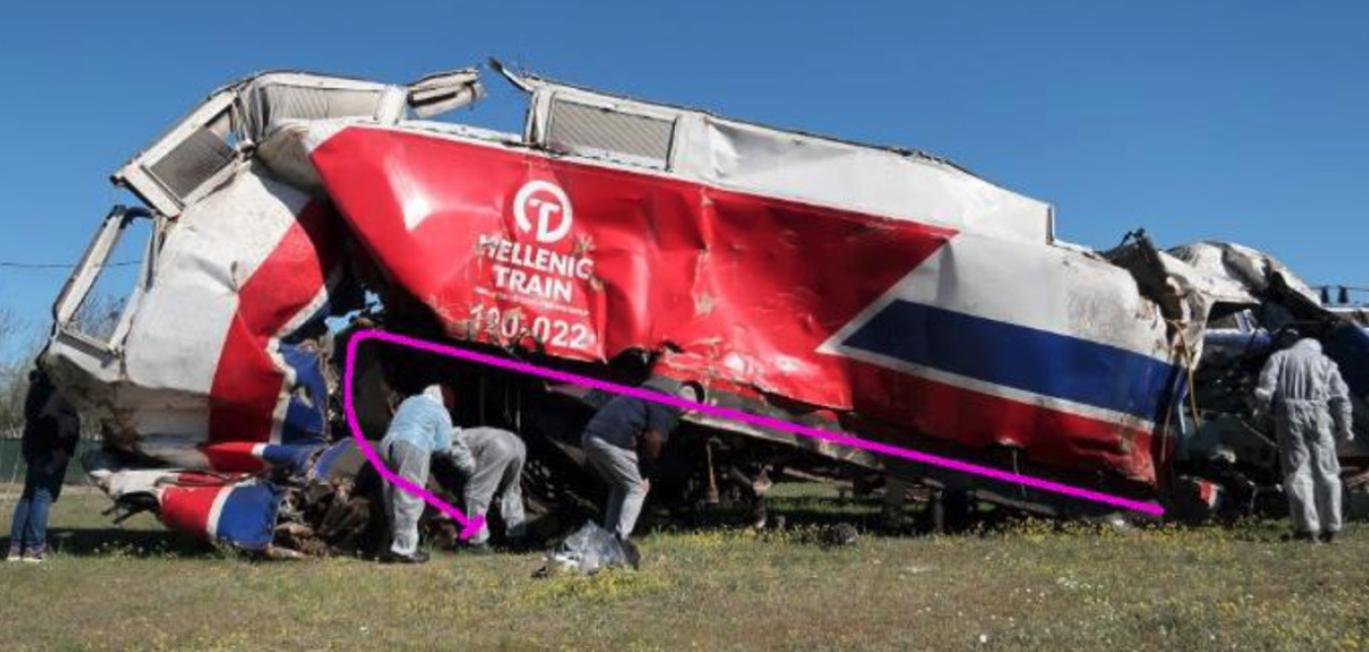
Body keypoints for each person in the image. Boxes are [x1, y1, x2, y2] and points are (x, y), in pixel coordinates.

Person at [1254, 333, 1353, 543]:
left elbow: (1265, 390)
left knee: (1298, 471)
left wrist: (1261, 414)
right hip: (1320, 414)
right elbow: (1341, 398)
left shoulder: (1280, 357)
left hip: (1289, 415)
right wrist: (1346, 427)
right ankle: (1332, 528)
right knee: (1328, 472)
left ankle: (1307, 529)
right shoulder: (1326, 362)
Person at [581, 381, 693, 540]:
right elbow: (653, 439)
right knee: (638, 489)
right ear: (686, 408)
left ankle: (609, 537)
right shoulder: (667, 408)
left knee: (620, 486)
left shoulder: (647, 392)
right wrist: (647, 471)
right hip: (612, 442)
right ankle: (621, 539)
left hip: (590, 437)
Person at [378, 383, 473, 564]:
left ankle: (390, 545)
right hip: (412, 445)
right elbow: (444, 447)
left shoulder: (409, 402)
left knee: (391, 498)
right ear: (445, 400)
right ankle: (405, 549)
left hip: (386, 444)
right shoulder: (440, 411)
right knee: (409, 498)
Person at [7, 369, 80, 563]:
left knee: (28, 496)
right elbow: (65, 423)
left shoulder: (36, 388)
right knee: (42, 495)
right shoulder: (59, 391)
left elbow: (34, 418)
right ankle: (34, 548)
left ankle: (16, 547)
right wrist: (67, 444)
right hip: (52, 451)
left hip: (34, 448)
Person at [455, 427, 527, 553]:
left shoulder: (449, 441)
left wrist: (482, 480)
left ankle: (478, 543)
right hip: (518, 444)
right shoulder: (465, 434)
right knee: (511, 492)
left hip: (498, 446)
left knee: (474, 493)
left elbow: (467, 465)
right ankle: (517, 537)